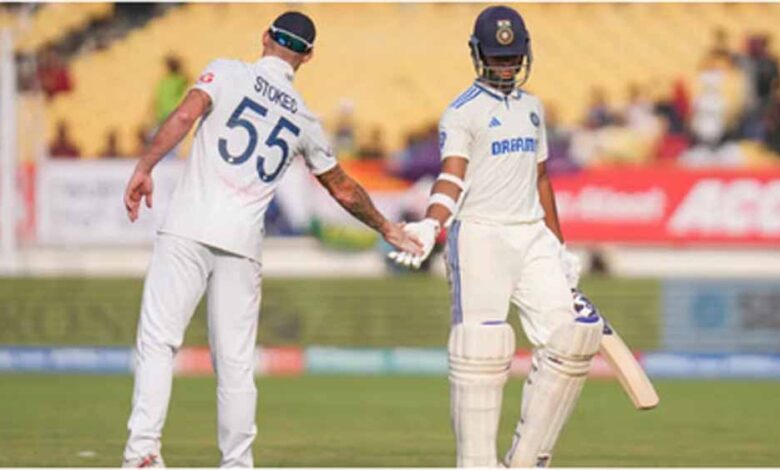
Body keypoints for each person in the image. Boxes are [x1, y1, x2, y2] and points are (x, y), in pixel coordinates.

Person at [121, 11, 421, 468]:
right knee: (236, 363)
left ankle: (143, 452)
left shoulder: (225, 71)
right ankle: (237, 462)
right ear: (308, 56)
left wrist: (145, 167)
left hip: (187, 224)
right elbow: (341, 187)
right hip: (242, 242)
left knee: (159, 341)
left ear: (265, 36)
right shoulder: (304, 119)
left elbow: (184, 115)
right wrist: (386, 227)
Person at [389, 5, 603, 467]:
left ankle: (526, 461)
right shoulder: (461, 111)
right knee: (481, 351)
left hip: (531, 234)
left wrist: (558, 246)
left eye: (512, 57)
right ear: (478, 54)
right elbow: (452, 176)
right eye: (497, 57)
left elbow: (541, 178)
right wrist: (432, 222)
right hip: (481, 235)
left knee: (573, 341)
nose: (506, 66)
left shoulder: (533, 108)